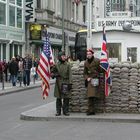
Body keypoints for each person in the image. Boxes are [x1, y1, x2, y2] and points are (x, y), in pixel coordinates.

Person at [51, 51, 72, 116]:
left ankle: (66, 111)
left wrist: (70, 83)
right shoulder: (56, 64)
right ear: (60, 57)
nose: (64, 57)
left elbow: (70, 74)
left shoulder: (68, 64)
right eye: (63, 56)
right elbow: (52, 73)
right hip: (58, 83)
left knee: (66, 98)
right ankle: (58, 111)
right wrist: (54, 74)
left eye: (64, 56)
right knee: (58, 98)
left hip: (65, 82)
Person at [84, 48, 101, 115]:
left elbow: (100, 70)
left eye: (89, 54)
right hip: (89, 81)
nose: (88, 55)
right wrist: (87, 78)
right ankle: (91, 110)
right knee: (90, 96)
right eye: (87, 54)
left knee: (93, 95)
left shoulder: (97, 61)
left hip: (95, 79)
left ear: (92, 54)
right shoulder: (86, 62)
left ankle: (91, 110)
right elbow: (84, 72)